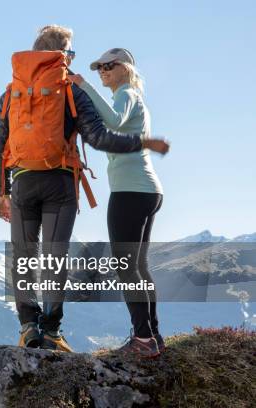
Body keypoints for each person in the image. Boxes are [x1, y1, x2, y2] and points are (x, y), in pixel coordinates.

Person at [0, 26, 169, 352]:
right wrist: (144, 143)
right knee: (56, 258)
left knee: (23, 257)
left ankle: (28, 328)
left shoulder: (10, 93)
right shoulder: (70, 91)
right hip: (61, 183)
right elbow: (100, 137)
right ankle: (54, 332)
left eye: (106, 66)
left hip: (22, 182)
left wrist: (0, 191)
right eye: (71, 54)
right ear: (61, 55)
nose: (76, 61)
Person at [69, 48, 165, 358]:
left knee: (126, 267)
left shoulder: (127, 95)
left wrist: (84, 86)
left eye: (109, 65)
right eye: (99, 68)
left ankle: (143, 339)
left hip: (130, 191)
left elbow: (110, 120)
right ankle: (153, 335)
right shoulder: (134, 99)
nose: (103, 71)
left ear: (126, 68)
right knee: (138, 266)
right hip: (147, 190)